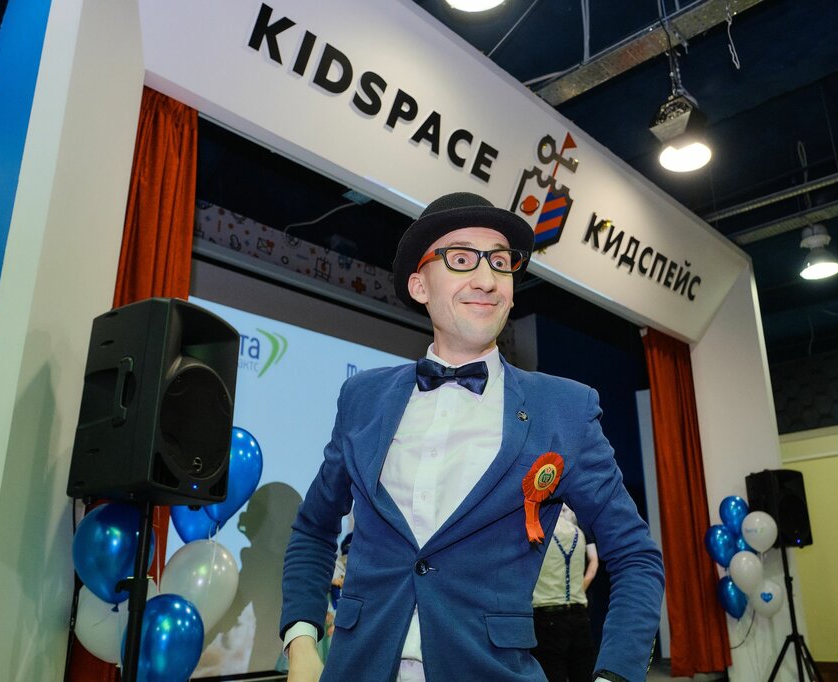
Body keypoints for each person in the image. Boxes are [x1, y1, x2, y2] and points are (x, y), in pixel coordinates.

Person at [279, 192, 664, 682]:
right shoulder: (362, 398)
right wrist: (302, 642)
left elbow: (635, 556)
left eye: (500, 263)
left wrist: (616, 675)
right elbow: (313, 529)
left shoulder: (564, 409)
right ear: (419, 285)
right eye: (461, 259)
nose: (486, 280)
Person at [531, 505, 599, 682]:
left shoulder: (538, 533)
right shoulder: (579, 533)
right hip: (579, 615)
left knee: (552, 673)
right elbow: (593, 563)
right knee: (582, 673)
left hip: (547, 617)